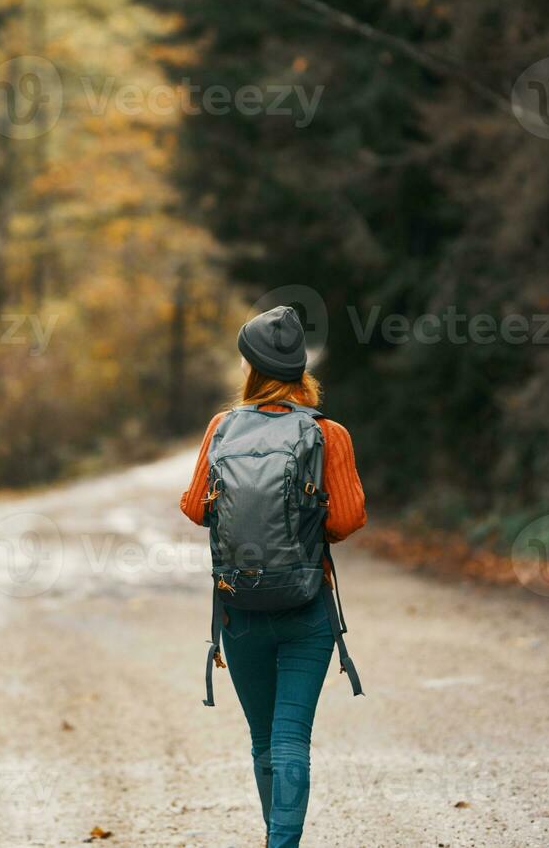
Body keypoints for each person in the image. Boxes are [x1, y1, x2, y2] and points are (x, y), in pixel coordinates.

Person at [179, 305, 367, 848]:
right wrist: (304, 531)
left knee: (264, 742)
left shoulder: (222, 427)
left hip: (239, 607)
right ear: (300, 372)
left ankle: (275, 840)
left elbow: (195, 508)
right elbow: (349, 519)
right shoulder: (328, 433)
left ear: (249, 368)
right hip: (306, 606)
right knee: (290, 741)